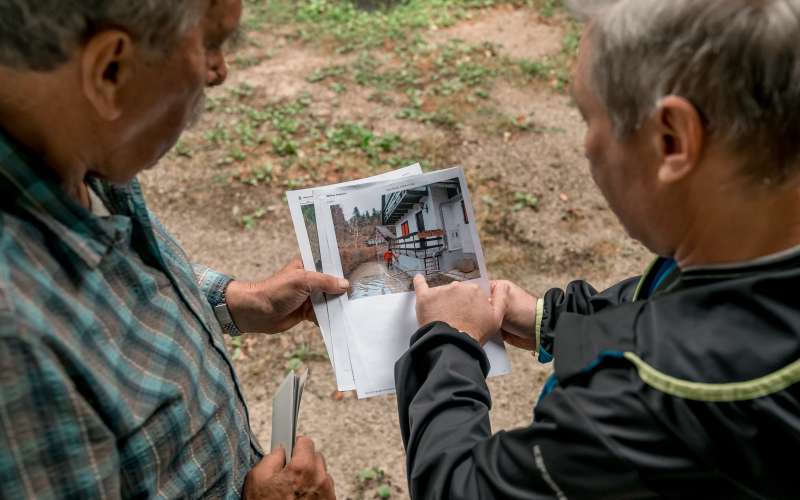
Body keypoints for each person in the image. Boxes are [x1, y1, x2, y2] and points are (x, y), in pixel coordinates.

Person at [396, 0, 800, 498]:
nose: (587, 146)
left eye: (590, 118)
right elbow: (671, 301)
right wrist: (551, 318)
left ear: (672, 139)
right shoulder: (751, 250)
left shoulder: (646, 402)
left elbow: (459, 489)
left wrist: (447, 341)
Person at [0, 1, 342, 498]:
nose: (219, 72)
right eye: (210, 44)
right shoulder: (16, 342)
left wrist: (239, 301)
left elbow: (119, 279)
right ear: (110, 69)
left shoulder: (74, 153)